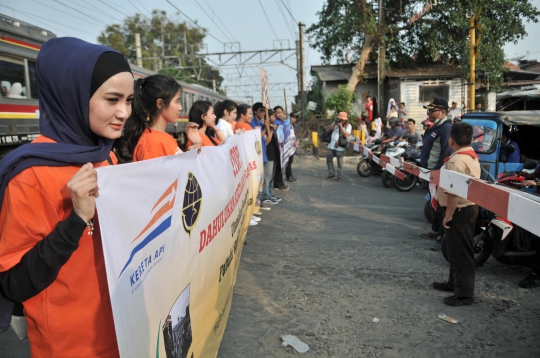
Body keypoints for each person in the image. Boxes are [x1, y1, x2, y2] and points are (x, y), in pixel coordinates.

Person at [0, 37, 134, 357]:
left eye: (129, 100)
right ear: (70, 95)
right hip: (71, 343)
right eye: (112, 99)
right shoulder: (29, 175)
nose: (124, 112)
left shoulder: (106, 157)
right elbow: (14, 283)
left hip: (123, 326)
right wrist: (75, 220)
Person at [432, 122, 481, 306]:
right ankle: (454, 284)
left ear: (451, 140)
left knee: (461, 253)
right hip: (466, 208)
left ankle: (464, 294)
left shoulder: (456, 161)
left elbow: (453, 192)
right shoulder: (470, 156)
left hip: (459, 210)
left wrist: (448, 215)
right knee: (454, 250)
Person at [123, 74, 200, 161]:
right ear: (160, 104)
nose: (180, 108)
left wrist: (194, 148)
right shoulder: (151, 145)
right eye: (177, 102)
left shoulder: (165, 137)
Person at [419, 98, 453, 248]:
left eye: (432, 111)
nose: (429, 113)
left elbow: (445, 152)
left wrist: (437, 173)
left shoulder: (446, 128)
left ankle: (441, 235)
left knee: (440, 204)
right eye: (429, 110)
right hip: (430, 172)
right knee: (435, 203)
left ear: (443, 112)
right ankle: (435, 231)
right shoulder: (436, 127)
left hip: (437, 173)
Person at [262, 109, 281, 204]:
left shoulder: (272, 127)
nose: (275, 118)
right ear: (267, 117)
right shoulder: (265, 128)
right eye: (273, 116)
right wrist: (270, 129)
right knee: (267, 176)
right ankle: (265, 195)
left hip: (274, 154)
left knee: (271, 176)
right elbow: (267, 141)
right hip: (268, 154)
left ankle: (270, 193)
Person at [326, 111, 351, 182]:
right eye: (339, 119)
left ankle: (340, 175)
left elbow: (346, 135)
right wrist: (335, 123)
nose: (340, 120)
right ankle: (331, 174)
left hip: (340, 147)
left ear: (345, 120)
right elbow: (329, 129)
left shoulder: (348, 126)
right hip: (331, 146)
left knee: (340, 163)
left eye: (342, 119)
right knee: (329, 160)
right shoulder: (335, 124)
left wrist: (340, 127)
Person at [272, 106, 289, 191]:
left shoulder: (282, 122)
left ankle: (280, 181)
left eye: (281, 112)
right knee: (278, 166)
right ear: (274, 113)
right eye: (278, 112)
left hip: (282, 147)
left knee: (282, 165)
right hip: (277, 147)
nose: (280, 114)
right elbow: (275, 135)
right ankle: (277, 183)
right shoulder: (275, 122)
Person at [285, 112, 299, 183]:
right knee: (287, 162)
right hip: (288, 147)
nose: (294, 119)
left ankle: (290, 176)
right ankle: (288, 176)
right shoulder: (287, 125)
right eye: (293, 117)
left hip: (292, 147)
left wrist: (296, 141)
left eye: (295, 118)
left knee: (290, 162)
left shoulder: (292, 126)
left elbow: (294, 135)